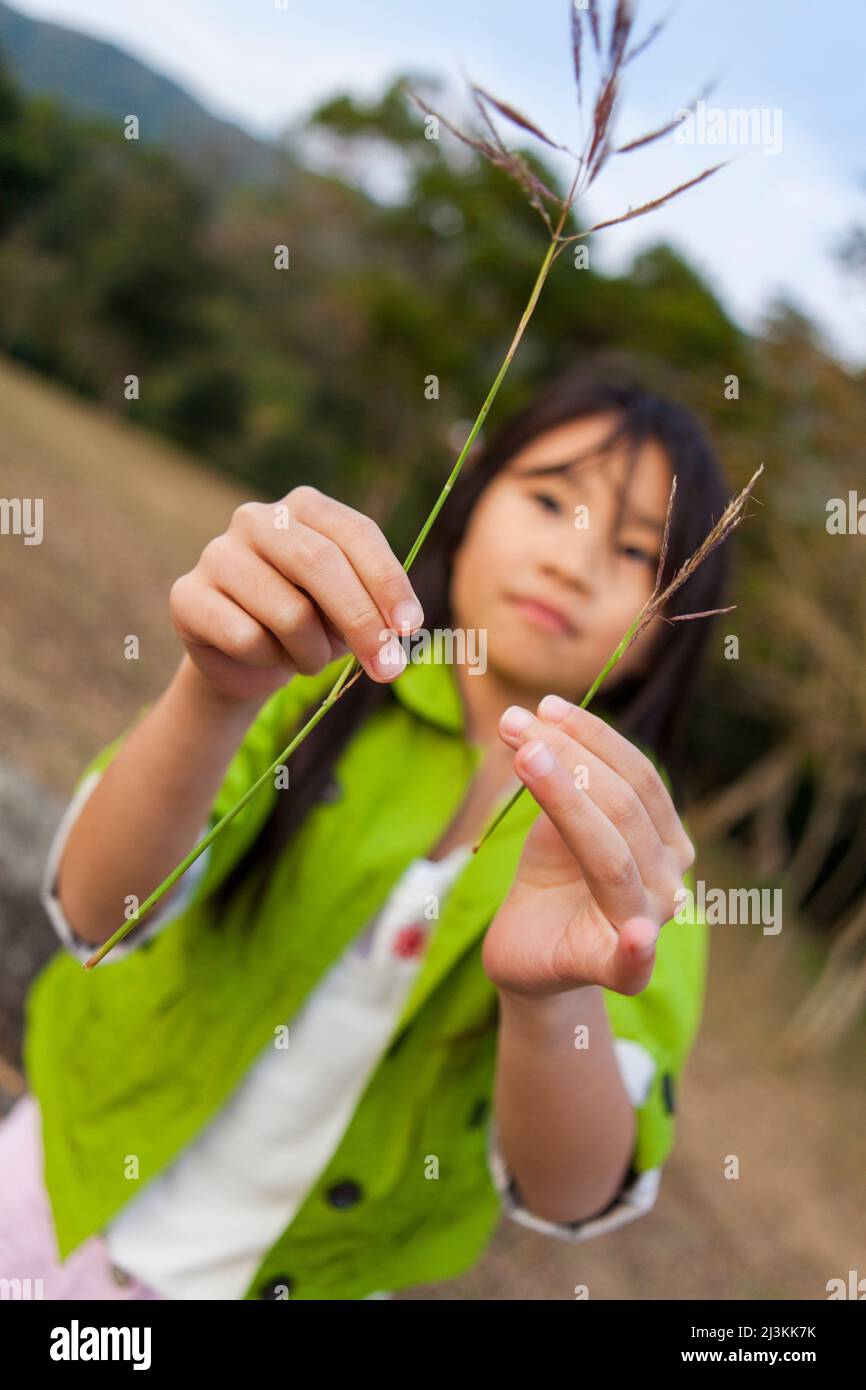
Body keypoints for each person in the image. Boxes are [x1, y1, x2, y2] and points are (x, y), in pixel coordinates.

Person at [1, 357, 731, 1301]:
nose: (574, 559)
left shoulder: (643, 858)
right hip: (53, 1197)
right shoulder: (314, 675)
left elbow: (573, 1190)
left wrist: (551, 1005)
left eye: (638, 551)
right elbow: (99, 911)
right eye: (552, 501)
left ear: (673, 628)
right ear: (469, 507)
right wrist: (213, 692)